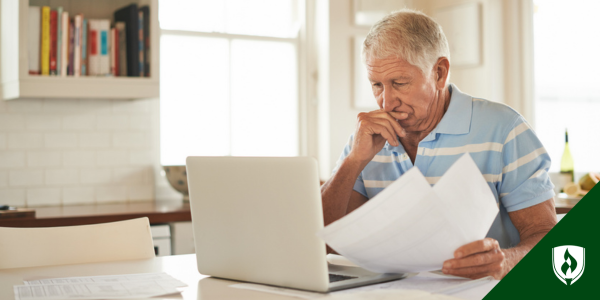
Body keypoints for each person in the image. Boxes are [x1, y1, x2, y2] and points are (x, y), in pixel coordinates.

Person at [320, 9, 557, 280]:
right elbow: (325, 244)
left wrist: (506, 262)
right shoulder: (366, 138)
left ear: (439, 73)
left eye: (399, 83)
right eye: (376, 85)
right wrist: (352, 163)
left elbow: (547, 238)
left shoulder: (505, 129)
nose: (386, 102)